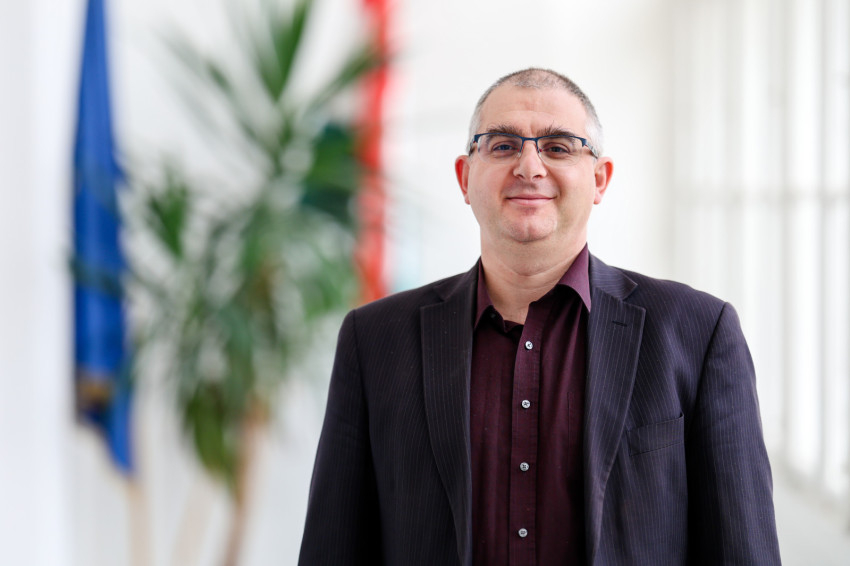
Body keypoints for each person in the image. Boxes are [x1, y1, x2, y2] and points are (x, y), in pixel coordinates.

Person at [298, 68, 781, 565]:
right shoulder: (374, 339)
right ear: (465, 178)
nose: (529, 166)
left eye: (558, 147)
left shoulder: (699, 333)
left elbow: (743, 552)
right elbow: (331, 550)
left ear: (599, 179)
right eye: (503, 145)